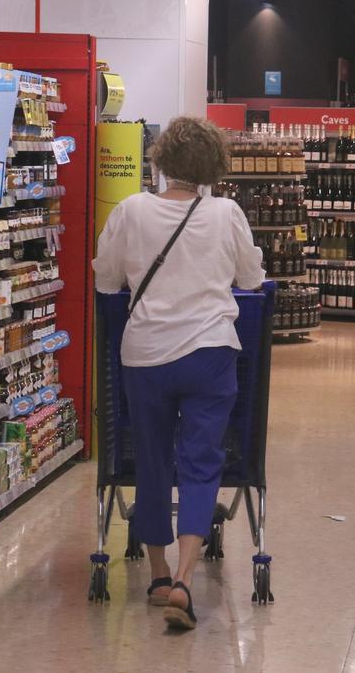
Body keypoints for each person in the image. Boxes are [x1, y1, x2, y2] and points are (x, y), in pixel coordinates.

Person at [92, 116, 265, 630]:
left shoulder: (130, 210)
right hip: (210, 354)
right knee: (201, 462)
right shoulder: (226, 213)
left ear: (161, 161)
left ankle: (160, 574)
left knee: (151, 461)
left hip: (145, 356)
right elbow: (252, 278)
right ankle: (188, 580)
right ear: (213, 166)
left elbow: (105, 281)